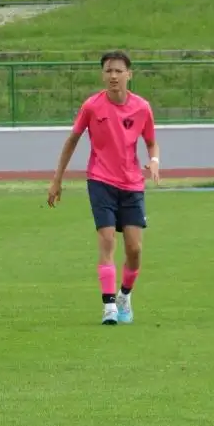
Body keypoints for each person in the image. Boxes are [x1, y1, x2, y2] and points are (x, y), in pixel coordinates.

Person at [47, 50, 161, 326]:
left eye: (118, 71)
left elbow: (151, 142)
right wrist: (57, 179)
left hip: (132, 183)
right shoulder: (92, 106)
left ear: (129, 75)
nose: (113, 76)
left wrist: (154, 161)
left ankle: (124, 296)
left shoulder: (142, 107)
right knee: (107, 238)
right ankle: (108, 305)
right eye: (108, 71)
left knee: (134, 249)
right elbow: (72, 140)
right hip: (100, 180)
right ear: (103, 75)